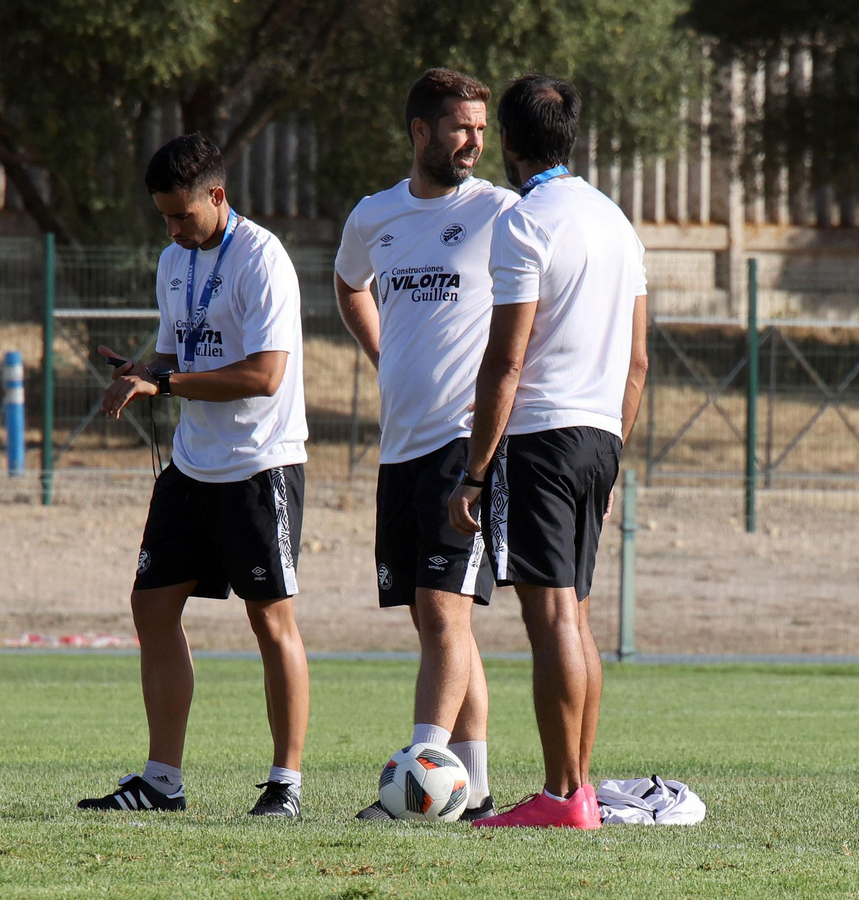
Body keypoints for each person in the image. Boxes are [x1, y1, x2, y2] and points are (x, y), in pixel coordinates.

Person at [78, 132, 311, 819]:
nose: (173, 229)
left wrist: (168, 384)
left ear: (218, 195)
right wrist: (143, 371)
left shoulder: (263, 259)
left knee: (270, 620)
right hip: (193, 463)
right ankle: (161, 782)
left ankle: (286, 786)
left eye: (182, 214)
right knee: (151, 606)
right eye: (163, 217)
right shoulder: (174, 259)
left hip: (258, 463)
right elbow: (172, 350)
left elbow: (266, 376)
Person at [448, 74, 650, 829]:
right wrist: (610, 447)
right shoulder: (617, 223)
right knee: (579, 617)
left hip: (539, 439)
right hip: (600, 435)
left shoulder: (525, 222)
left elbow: (505, 361)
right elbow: (638, 363)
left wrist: (473, 471)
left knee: (551, 619)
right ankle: (581, 789)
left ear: (508, 143)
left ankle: (562, 797)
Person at [334, 68, 518, 822]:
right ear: (420, 132)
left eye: (481, 127)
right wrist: (386, 359)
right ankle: (472, 790)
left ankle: (417, 788)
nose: (475, 140)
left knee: (443, 615)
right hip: (399, 449)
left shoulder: (501, 211)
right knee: (436, 619)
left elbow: (541, 306)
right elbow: (349, 285)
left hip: (461, 446)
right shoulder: (374, 216)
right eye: (460, 127)